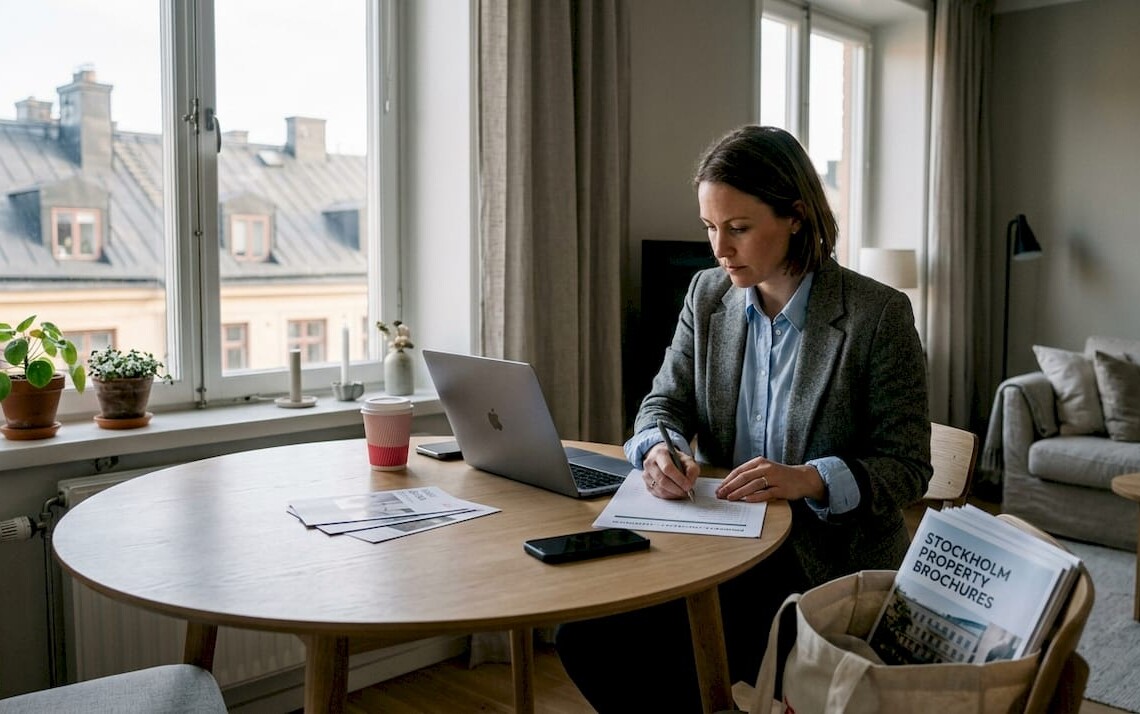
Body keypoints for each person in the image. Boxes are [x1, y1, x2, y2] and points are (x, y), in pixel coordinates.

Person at [555, 125, 932, 711]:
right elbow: (662, 404)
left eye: (738, 228)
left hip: (821, 565)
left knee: (662, 652)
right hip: (718, 544)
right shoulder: (707, 297)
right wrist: (658, 448)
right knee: (584, 639)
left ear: (796, 217)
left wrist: (809, 478)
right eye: (710, 227)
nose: (719, 249)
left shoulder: (877, 315)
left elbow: (908, 466)